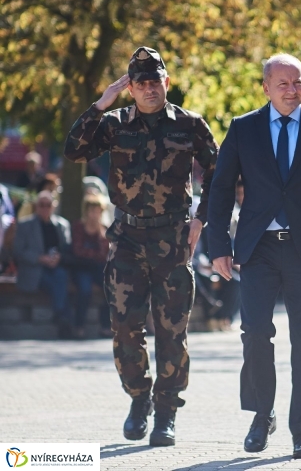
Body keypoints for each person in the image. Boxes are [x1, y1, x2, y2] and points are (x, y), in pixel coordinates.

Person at [63, 46, 218, 446]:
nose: (151, 89)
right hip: (128, 240)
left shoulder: (190, 125)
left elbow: (219, 170)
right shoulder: (114, 124)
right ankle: (138, 398)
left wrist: (202, 218)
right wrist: (100, 103)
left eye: (156, 81)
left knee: (172, 331)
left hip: (172, 240)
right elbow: (74, 150)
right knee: (125, 328)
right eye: (142, 83)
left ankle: (166, 412)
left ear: (167, 82)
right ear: (131, 88)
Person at [207, 53, 301, 458]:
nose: (292, 91)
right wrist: (218, 244)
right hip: (258, 248)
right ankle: (261, 415)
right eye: (284, 84)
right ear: (266, 88)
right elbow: (220, 190)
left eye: (298, 83)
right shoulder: (243, 129)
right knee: (255, 333)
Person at [13, 191, 72, 338]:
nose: (45, 208)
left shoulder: (62, 225)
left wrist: (59, 258)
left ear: (53, 206)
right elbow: (18, 252)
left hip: (56, 268)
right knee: (58, 283)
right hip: (35, 270)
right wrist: (40, 258)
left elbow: (68, 250)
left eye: (48, 205)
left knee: (61, 276)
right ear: (36, 206)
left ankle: (61, 317)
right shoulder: (25, 225)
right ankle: (62, 316)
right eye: (41, 205)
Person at [69, 194, 110, 339]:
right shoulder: (78, 227)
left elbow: (104, 253)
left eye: (97, 211)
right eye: (92, 210)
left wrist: (100, 235)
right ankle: (78, 326)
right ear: (86, 211)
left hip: (99, 268)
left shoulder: (104, 230)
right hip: (82, 268)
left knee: (110, 287)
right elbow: (78, 251)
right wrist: (95, 255)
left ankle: (106, 326)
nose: (94, 214)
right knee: (85, 290)